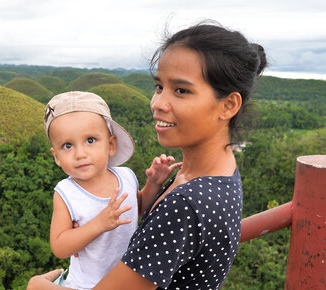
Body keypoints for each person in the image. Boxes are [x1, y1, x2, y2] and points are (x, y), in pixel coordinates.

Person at [28, 21, 267, 289]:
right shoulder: (218, 172)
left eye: (181, 90)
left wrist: (37, 286)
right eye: (158, 87)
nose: (157, 103)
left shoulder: (186, 204)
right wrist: (152, 186)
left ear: (228, 105)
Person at [44, 91, 181, 289]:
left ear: (111, 144)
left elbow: (140, 208)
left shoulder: (125, 176)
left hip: (127, 280)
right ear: (56, 156)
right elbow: (59, 247)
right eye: (67, 145)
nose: (80, 154)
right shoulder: (66, 193)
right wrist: (99, 224)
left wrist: (154, 183)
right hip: (86, 285)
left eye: (90, 140)